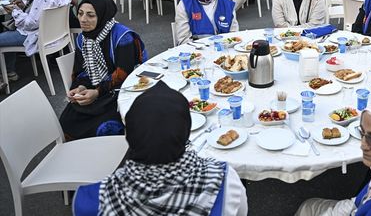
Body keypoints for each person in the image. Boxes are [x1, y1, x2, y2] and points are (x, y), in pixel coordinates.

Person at [73, 83, 248, 216]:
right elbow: (241, 211)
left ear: (130, 135)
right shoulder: (223, 180)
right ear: (185, 132)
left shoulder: (88, 200)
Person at [59, 0, 146, 140]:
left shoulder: (122, 37)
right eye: (80, 14)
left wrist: (97, 92)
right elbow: (81, 71)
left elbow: (123, 74)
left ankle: (113, 157)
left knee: (105, 128)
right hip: (96, 89)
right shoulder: (83, 38)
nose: (83, 20)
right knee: (67, 121)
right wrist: (80, 88)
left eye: (90, 15)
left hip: (122, 90)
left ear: (103, 15)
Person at [0, 0, 71, 85]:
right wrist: (24, 7)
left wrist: (15, 11)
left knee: (3, 37)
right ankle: (9, 71)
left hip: (36, 36)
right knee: (7, 33)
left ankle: (7, 73)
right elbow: (40, 14)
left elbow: (30, 24)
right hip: (54, 33)